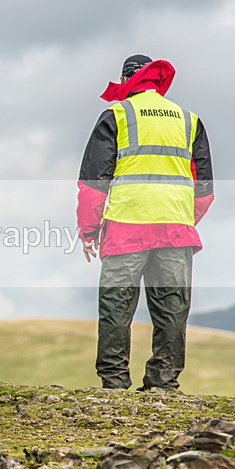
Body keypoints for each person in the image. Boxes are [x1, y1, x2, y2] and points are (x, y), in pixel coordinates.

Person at [77, 55, 214, 391]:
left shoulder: (117, 115)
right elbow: (205, 191)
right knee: (172, 309)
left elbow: (94, 183)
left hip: (126, 225)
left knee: (116, 306)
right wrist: (181, 219)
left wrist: (89, 230)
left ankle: (114, 382)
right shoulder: (189, 120)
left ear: (126, 80)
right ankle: (163, 383)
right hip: (176, 230)